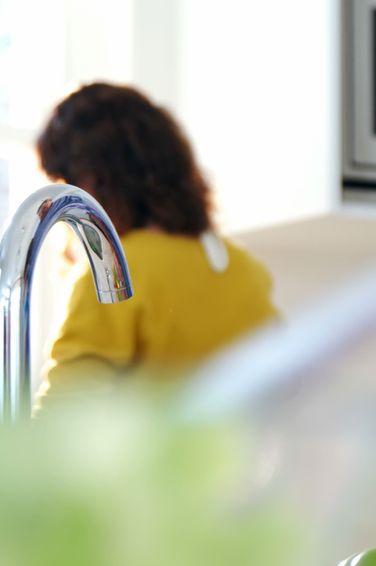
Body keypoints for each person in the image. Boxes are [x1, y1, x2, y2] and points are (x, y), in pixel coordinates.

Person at [35, 83, 278, 401]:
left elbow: (67, 414)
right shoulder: (243, 269)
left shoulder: (116, 274)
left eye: (69, 180)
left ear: (95, 179)